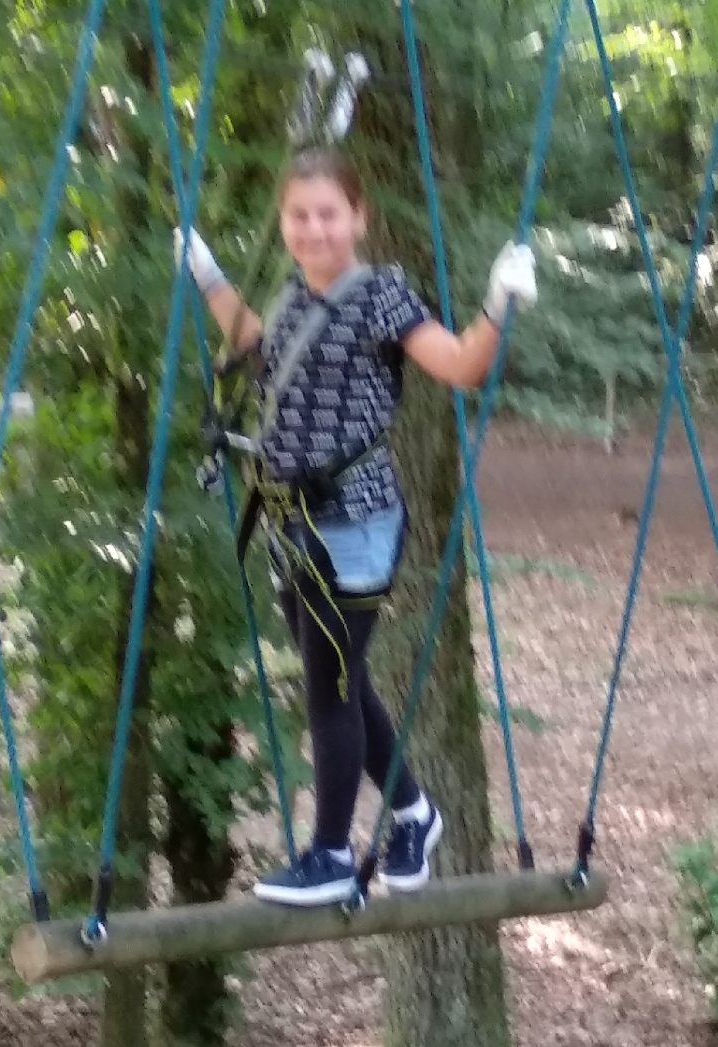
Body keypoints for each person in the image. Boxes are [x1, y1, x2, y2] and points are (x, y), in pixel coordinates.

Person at [174, 146, 539, 907]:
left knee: (328, 690)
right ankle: (413, 811)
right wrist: (206, 275)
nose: (314, 230)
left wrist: (498, 303)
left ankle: (333, 853)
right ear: (284, 223)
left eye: (328, 215)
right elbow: (255, 342)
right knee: (342, 679)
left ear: (359, 219)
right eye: (299, 216)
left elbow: (460, 365)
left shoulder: (381, 295)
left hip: (354, 525)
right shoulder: (290, 297)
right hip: (294, 525)